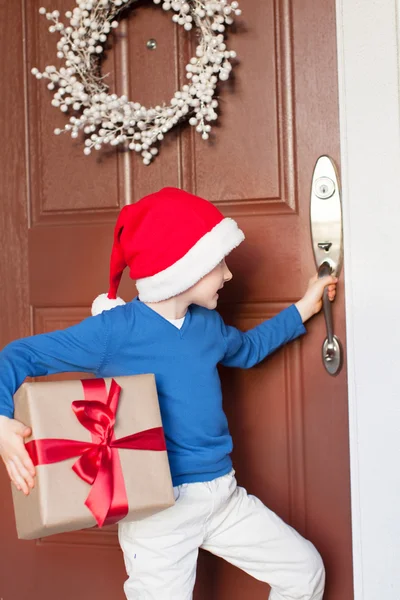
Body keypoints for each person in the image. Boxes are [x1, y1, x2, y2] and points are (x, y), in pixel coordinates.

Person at [0, 187, 336, 600]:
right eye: (218, 264)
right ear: (183, 270)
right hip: (158, 512)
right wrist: (1, 422)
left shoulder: (206, 326)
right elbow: (18, 356)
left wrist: (305, 306)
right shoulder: (114, 332)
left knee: (304, 571)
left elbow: (247, 350)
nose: (229, 275)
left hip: (222, 495)